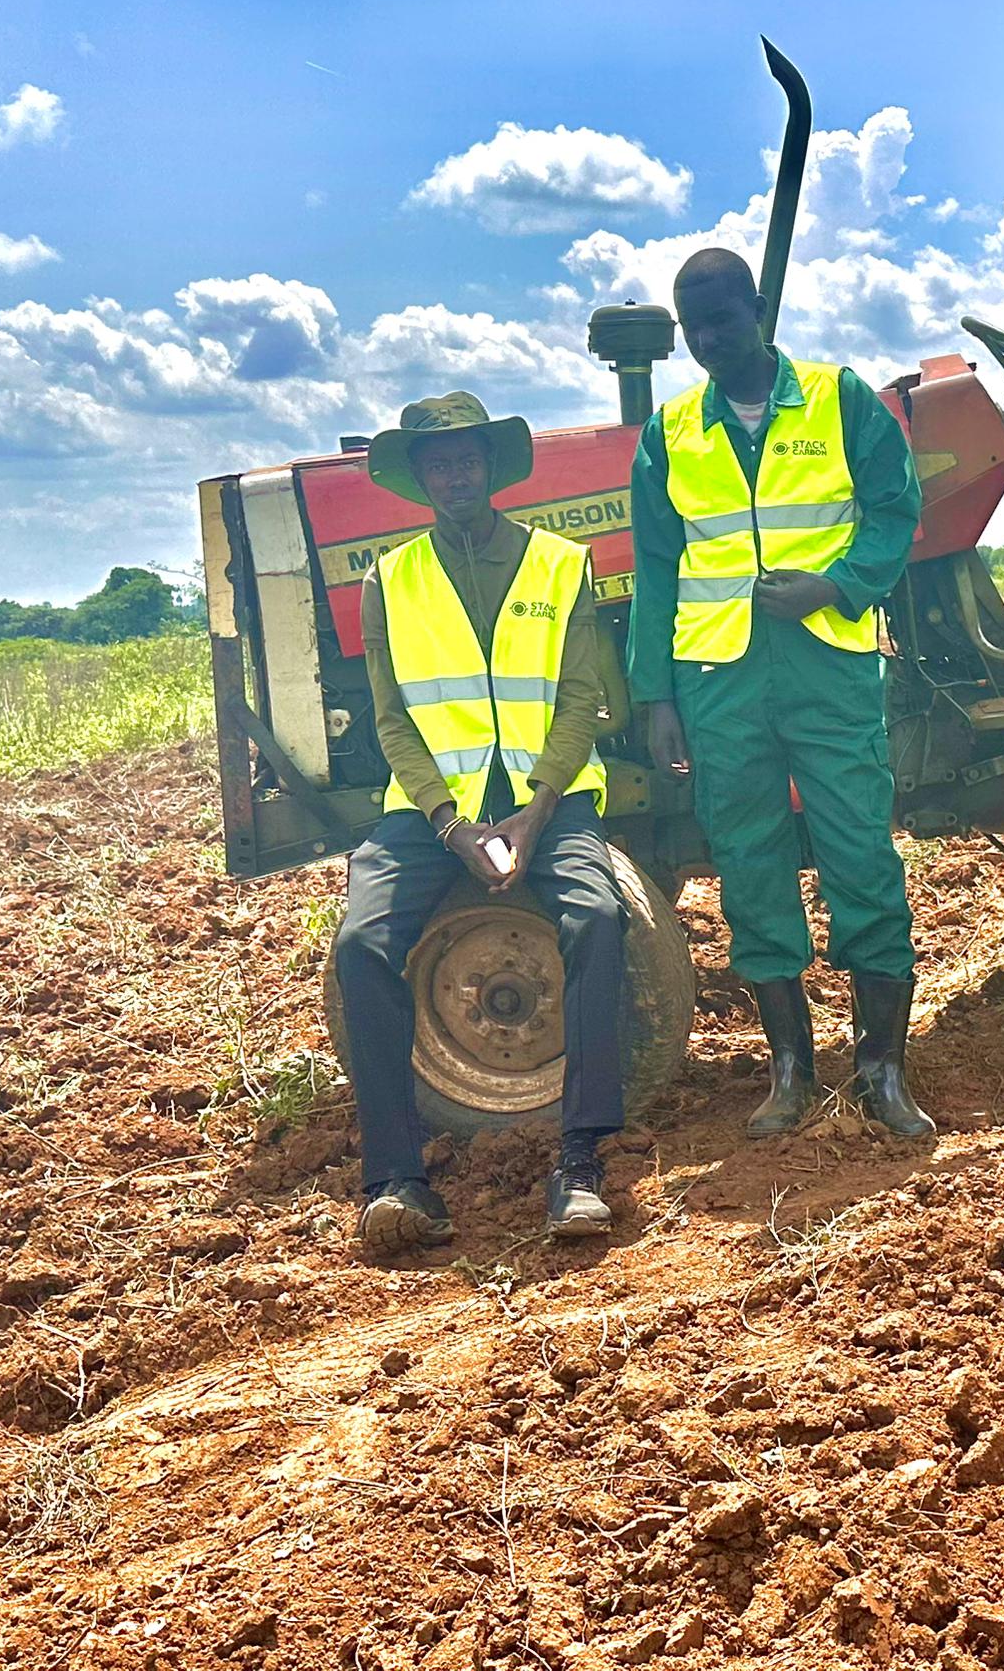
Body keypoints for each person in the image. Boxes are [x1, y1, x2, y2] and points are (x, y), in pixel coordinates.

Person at [627, 249, 931, 1141]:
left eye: (723, 318)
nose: (710, 340)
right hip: (717, 677)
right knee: (751, 862)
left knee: (859, 852)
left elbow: (894, 512)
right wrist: (658, 695)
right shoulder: (671, 432)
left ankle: (881, 1067)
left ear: (758, 309)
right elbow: (656, 569)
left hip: (826, 665)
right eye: (694, 328)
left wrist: (837, 586)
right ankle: (790, 1068)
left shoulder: (841, 401)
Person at [333, 392, 627, 1255]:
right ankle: (398, 1181)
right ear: (420, 478)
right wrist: (451, 823)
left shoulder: (560, 565)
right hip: (432, 813)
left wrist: (535, 814)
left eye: (468, 458)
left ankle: (579, 1162)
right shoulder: (391, 579)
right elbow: (393, 721)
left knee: (601, 918)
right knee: (359, 945)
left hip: (552, 799)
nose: (454, 472)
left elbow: (582, 701)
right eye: (437, 461)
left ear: (491, 469)